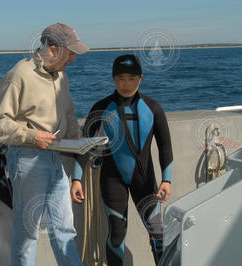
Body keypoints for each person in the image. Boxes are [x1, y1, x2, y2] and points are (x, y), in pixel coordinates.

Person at [0, 23, 88, 266]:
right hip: (27, 159)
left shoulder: (60, 75)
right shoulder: (19, 75)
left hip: (56, 157)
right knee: (28, 231)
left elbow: (68, 111)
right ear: (53, 50)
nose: (73, 59)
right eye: (70, 53)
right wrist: (33, 136)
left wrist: (76, 136)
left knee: (65, 229)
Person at [70, 54, 173, 265]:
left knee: (158, 233)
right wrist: (76, 179)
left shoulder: (153, 108)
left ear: (141, 78)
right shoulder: (101, 108)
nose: (126, 84)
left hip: (144, 180)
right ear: (113, 79)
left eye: (132, 78)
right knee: (117, 235)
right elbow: (85, 147)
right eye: (120, 79)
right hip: (112, 179)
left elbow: (165, 146)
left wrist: (167, 179)